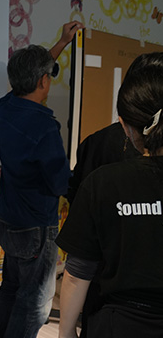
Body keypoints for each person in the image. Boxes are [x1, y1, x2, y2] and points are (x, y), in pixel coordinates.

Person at [56, 52, 163, 338]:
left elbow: (78, 272)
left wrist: (66, 332)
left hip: (118, 323)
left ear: (125, 126)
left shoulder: (104, 182)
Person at [0, 20, 82, 338]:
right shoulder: (45, 127)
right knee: (35, 304)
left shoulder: (4, 108)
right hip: (36, 227)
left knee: (11, 289)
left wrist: (62, 43)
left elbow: (28, 77)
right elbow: (59, 183)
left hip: (8, 221)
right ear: (44, 81)